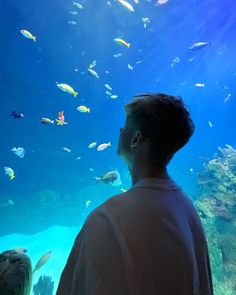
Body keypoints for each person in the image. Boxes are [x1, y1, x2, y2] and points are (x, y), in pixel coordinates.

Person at [56, 93, 213, 295]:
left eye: (125, 124)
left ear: (136, 138)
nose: (121, 130)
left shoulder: (106, 219)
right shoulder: (187, 209)